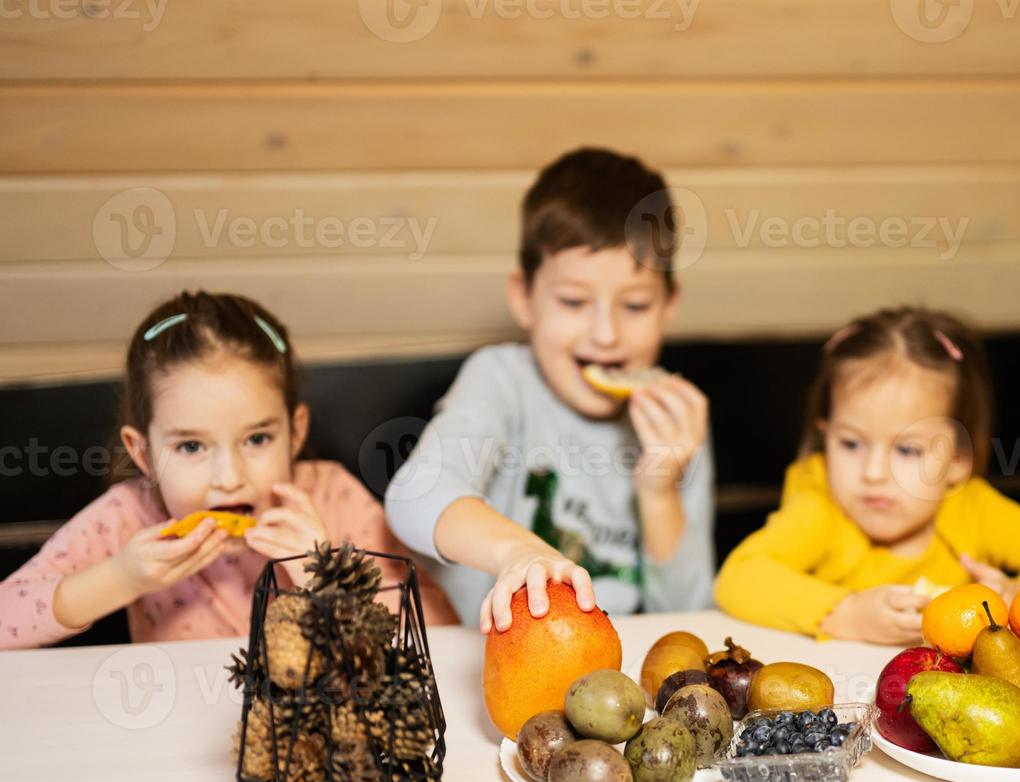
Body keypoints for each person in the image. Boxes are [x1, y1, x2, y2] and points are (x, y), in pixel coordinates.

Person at [0, 291, 458, 649]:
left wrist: (330, 579)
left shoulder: (332, 497)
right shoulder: (128, 517)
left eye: (257, 439)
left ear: (295, 432)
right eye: (192, 446)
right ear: (142, 453)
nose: (229, 476)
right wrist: (121, 578)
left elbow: (435, 631)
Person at [385, 147, 714, 633]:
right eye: (574, 301)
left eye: (637, 305)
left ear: (669, 306)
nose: (605, 334)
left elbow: (690, 615)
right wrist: (520, 552)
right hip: (481, 663)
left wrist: (661, 490)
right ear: (524, 298)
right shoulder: (501, 380)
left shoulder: (676, 422)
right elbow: (415, 494)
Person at [714, 307, 1020, 645]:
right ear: (825, 433)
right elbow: (740, 577)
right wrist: (846, 614)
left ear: (958, 461)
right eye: (851, 444)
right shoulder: (823, 504)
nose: (873, 473)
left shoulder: (966, 505)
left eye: (907, 450)